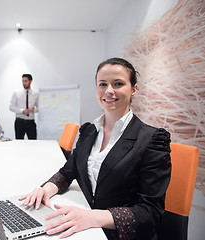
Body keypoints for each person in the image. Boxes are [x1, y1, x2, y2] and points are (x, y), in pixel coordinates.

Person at [19, 58, 172, 240]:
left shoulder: (152, 140)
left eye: (118, 83)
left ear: (133, 89)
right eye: (102, 84)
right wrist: (45, 190)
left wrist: (92, 217)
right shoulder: (89, 131)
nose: (109, 90)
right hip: (85, 227)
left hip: (119, 234)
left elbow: (150, 212)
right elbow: (69, 171)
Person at [9, 74, 39, 139]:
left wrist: (34, 110)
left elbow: (39, 108)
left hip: (30, 122)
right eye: (22, 81)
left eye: (25, 81)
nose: (24, 83)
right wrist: (22, 111)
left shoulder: (35, 94)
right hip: (19, 122)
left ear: (30, 81)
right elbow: (11, 107)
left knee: (33, 142)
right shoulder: (16, 93)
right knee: (19, 143)